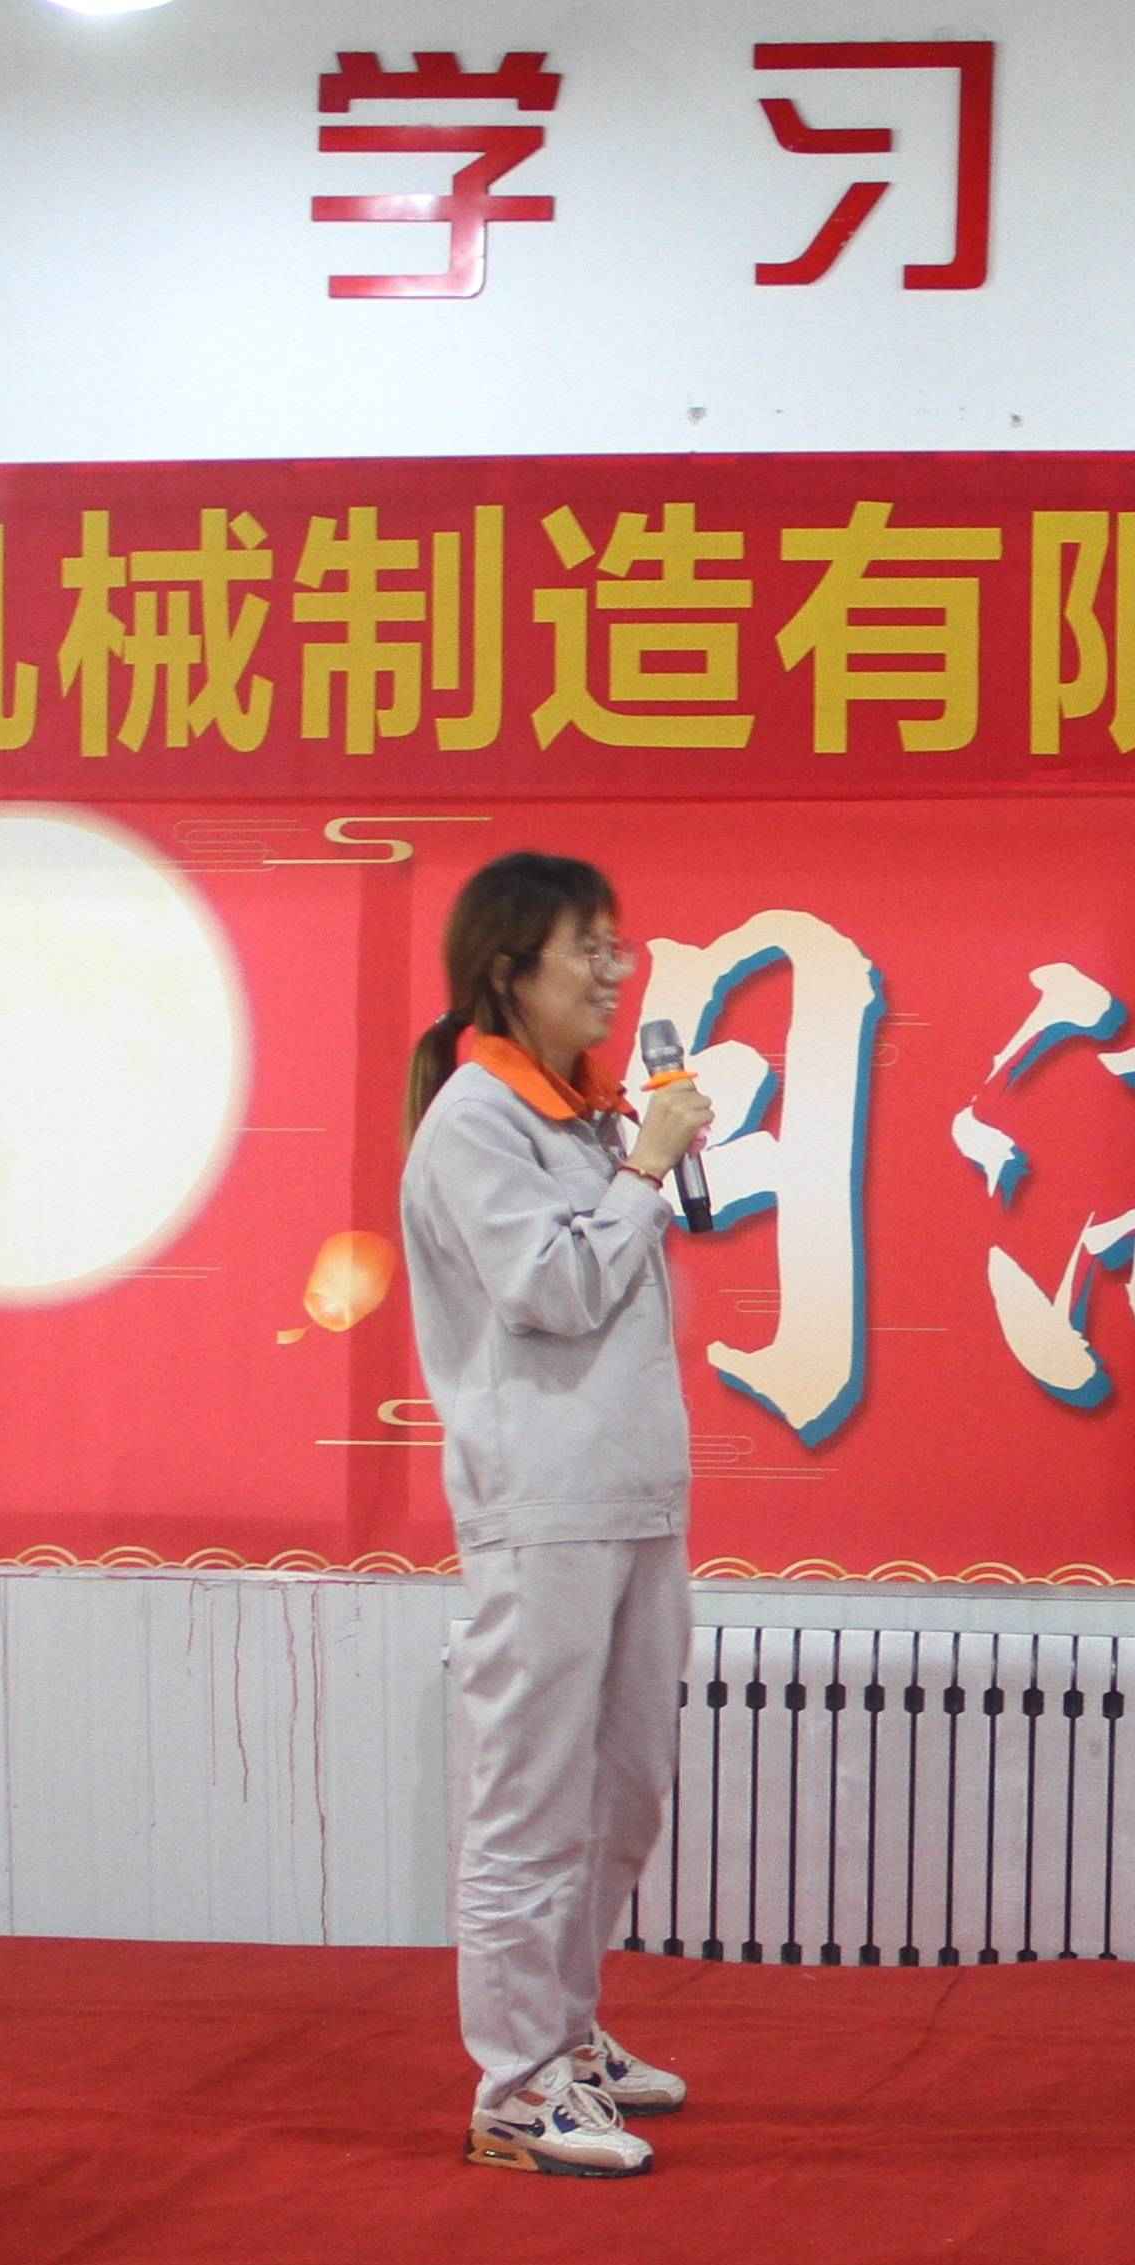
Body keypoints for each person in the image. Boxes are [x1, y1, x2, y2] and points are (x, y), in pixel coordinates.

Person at [399, 851, 718, 2177]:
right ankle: (516, 2084)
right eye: (587, 949)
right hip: (540, 1505)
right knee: (529, 1803)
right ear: (507, 970)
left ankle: (569, 2033)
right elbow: (553, 1290)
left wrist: (633, 1157)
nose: (612, 972)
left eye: (615, 946)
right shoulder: (477, 1120)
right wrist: (645, 1168)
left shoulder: (584, 1115)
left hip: (632, 1494)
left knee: (623, 1791)